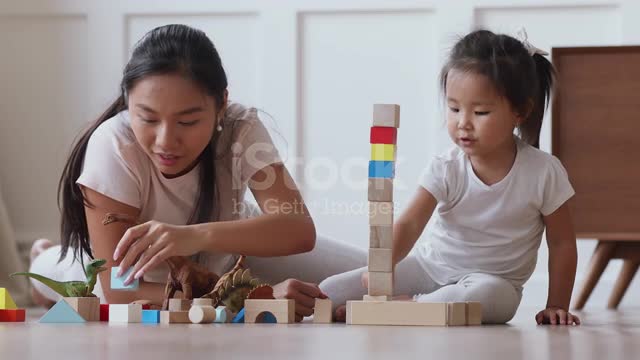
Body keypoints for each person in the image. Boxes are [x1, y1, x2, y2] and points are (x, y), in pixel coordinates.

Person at [28, 24, 366, 322]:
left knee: (374, 275)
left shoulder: (239, 126)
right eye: (147, 117)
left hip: (226, 248)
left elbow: (298, 229)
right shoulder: (113, 144)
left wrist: (191, 236)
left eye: (188, 121)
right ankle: (42, 257)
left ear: (222, 105)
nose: (165, 141)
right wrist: (246, 300)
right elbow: (118, 289)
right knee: (65, 276)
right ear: (128, 101)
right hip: (126, 271)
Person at [320, 30, 581, 325]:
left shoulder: (543, 171)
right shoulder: (446, 166)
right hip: (430, 268)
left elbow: (561, 244)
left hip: (493, 282)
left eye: (480, 112)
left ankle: (407, 306)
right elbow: (410, 222)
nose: (463, 123)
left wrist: (556, 304)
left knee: (486, 298)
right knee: (331, 290)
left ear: (520, 111)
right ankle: (401, 306)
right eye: (454, 108)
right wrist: (382, 265)